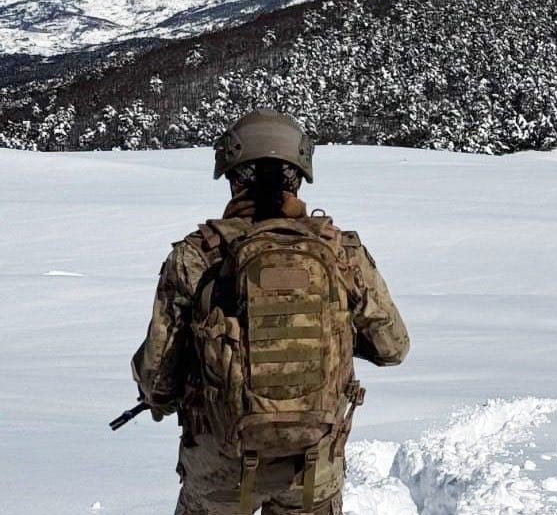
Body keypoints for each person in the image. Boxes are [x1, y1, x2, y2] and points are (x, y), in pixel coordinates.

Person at [131, 110, 409, 515]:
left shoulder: (195, 256)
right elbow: (392, 348)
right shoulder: (340, 252)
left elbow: (158, 377)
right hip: (313, 464)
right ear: (299, 173)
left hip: (220, 466)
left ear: (231, 174)